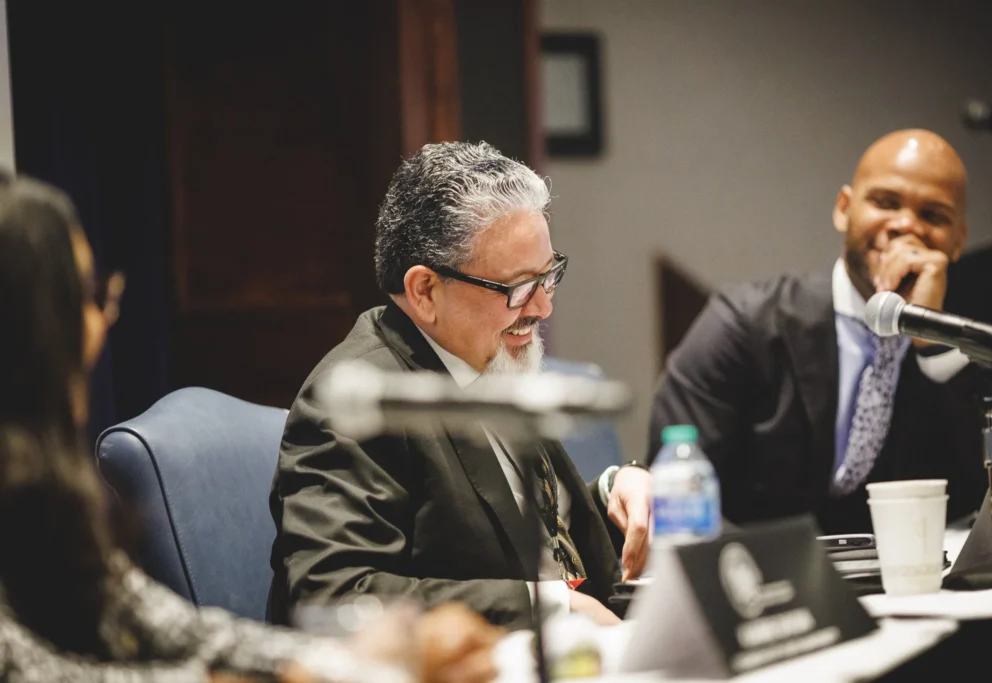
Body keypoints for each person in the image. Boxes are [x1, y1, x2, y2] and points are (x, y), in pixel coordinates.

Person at [0, 174, 502, 683]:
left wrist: (363, 659)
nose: (102, 319)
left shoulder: (40, 502)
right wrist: (331, 673)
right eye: (85, 294)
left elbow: (178, 632)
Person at [269, 141, 652, 630]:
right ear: (426, 290)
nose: (542, 308)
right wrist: (547, 610)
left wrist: (614, 489)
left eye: (548, 276)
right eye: (517, 288)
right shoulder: (360, 403)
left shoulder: (488, 358)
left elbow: (522, 526)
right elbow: (334, 592)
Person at [648, 129, 988, 535]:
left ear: (957, 241)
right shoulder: (744, 323)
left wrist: (930, 339)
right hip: (760, 581)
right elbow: (674, 489)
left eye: (932, 216)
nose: (905, 225)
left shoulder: (974, 358)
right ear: (844, 208)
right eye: (885, 202)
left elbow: (987, 501)